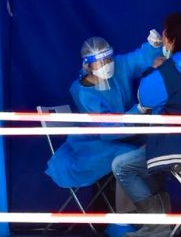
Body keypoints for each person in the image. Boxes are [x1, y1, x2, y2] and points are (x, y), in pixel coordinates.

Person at [112, 13, 181, 237]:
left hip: (176, 148)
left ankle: (157, 225)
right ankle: (160, 224)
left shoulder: (169, 70)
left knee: (123, 165)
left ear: (170, 39)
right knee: (148, 158)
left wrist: (155, 69)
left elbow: (145, 99)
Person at [45, 32, 162, 189]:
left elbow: (137, 59)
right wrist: (139, 110)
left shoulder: (119, 66)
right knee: (130, 157)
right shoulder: (84, 93)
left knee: (156, 145)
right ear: (88, 66)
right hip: (94, 143)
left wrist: (153, 47)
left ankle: (151, 200)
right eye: (100, 62)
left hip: (126, 132)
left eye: (108, 59)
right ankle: (136, 208)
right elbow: (108, 130)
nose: (107, 64)